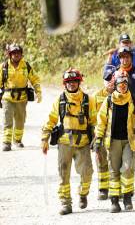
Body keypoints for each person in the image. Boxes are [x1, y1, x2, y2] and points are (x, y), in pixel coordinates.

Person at [41, 68, 96, 215]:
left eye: (74, 81)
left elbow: (95, 121)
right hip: (64, 143)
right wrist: (45, 138)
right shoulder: (60, 100)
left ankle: (83, 194)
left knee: (87, 172)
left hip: (83, 143)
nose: (71, 84)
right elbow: (51, 119)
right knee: (63, 174)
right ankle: (66, 203)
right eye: (68, 82)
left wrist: (97, 139)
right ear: (64, 84)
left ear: (79, 82)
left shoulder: (88, 100)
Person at [94, 70, 135, 213]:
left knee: (127, 168)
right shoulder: (108, 101)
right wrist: (98, 138)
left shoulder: (134, 100)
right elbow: (101, 121)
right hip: (112, 142)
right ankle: (114, 201)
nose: (123, 86)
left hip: (129, 141)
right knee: (113, 171)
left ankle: (127, 197)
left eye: (125, 83)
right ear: (116, 85)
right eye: (120, 84)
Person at [0, 43, 42, 151]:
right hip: (7, 98)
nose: (16, 55)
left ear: (21, 54)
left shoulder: (26, 66)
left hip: (22, 99)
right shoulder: (4, 66)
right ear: (10, 54)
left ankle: (17, 141)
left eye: (18, 53)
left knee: (20, 121)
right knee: (7, 121)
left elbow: (35, 79)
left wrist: (38, 92)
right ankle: (6, 143)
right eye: (14, 53)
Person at [92, 64, 116, 200]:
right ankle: (103, 189)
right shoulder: (96, 96)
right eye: (107, 79)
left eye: (113, 78)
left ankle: (118, 188)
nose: (110, 82)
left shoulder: (124, 95)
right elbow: (92, 118)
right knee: (101, 162)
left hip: (119, 135)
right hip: (101, 135)